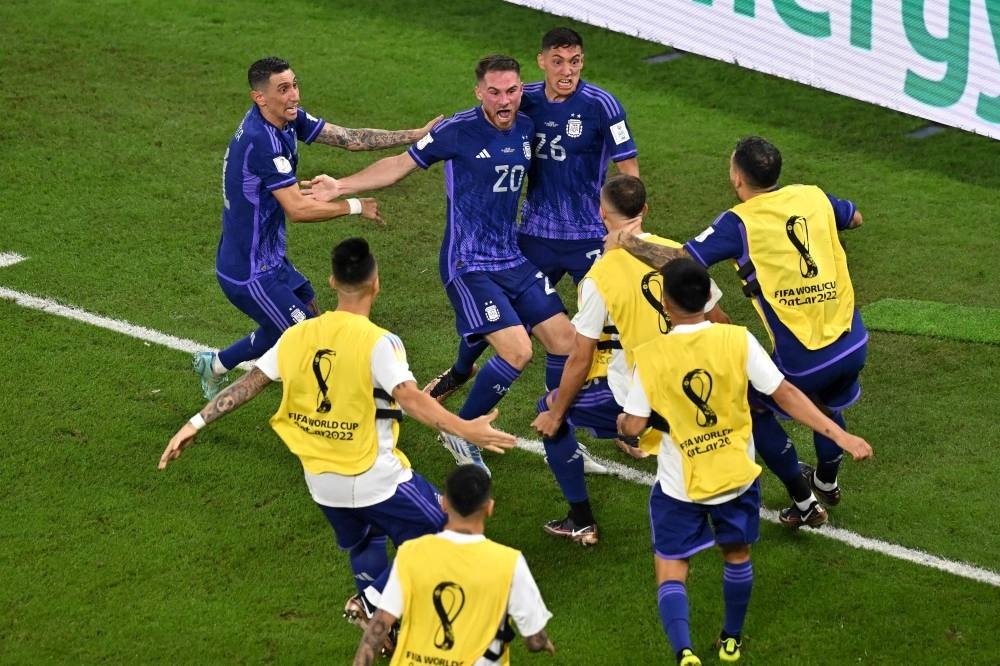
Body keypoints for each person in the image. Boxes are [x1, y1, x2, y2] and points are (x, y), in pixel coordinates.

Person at [160, 238, 517, 655]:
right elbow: (412, 399)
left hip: (321, 483)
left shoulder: (298, 336)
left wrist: (195, 422)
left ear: (332, 281)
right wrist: (466, 430)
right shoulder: (379, 342)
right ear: (376, 284)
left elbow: (248, 384)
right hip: (374, 477)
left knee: (365, 541)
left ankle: (379, 617)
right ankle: (370, 604)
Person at [303, 55, 575, 476]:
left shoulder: (526, 124)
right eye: (495, 92)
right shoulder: (458, 130)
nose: (505, 101)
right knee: (518, 350)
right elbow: (398, 166)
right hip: (468, 262)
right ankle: (459, 430)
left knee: (566, 341)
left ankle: (558, 427)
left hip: (511, 256)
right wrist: (342, 185)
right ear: (479, 93)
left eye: (512, 91)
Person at [618, 258, 873, 665]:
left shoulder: (648, 356)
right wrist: (840, 434)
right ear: (707, 297)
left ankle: (684, 651)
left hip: (679, 485)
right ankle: (731, 640)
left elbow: (632, 426)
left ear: (664, 303)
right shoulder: (738, 340)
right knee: (736, 557)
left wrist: (624, 423)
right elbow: (785, 393)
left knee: (671, 566)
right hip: (736, 478)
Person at [609, 135, 868, 527]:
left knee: (754, 406)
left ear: (737, 178)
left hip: (805, 357)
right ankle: (827, 481)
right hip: (853, 340)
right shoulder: (812, 196)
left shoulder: (738, 223)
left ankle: (803, 502)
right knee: (827, 406)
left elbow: (682, 262)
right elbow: (855, 217)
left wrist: (628, 242)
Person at [193, 56, 442, 401]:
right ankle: (319, 423)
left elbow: (350, 138)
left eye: (295, 84)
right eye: (283, 89)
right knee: (312, 344)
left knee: (298, 324)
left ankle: (216, 364)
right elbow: (297, 208)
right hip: (249, 273)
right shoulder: (260, 141)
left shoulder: (287, 119)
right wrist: (355, 205)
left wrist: (415, 135)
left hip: (271, 260)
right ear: (260, 98)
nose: (294, 95)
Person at [426, 27, 640, 415]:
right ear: (541, 62)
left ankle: (622, 412)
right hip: (535, 234)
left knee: (614, 325)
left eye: (574, 62)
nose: (566, 71)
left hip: (588, 236)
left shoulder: (603, 105)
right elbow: (485, 121)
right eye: (557, 62)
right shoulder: (524, 100)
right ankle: (459, 372)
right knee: (503, 318)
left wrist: (629, 226)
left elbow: (629, 169)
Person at [529, 174, 728, 546]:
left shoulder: (599, 276)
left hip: (640, 392)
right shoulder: (677, 254)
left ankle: (582, 520)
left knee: (550, 408)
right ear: (645, 210)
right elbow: (722, 322)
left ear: (601, 213)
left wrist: (557, 413)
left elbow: (580, 356)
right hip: (697, 379)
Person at [353, 464, 555, 666]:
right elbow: (534, 641)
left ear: (444, 504)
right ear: (489, 508)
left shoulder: (410, 553)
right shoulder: (509, 562)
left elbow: (379, 626)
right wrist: (542, 642)